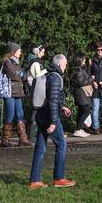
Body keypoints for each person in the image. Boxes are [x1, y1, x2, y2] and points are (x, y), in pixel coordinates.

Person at [30, 53, 75, 189]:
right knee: (61, 144)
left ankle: (35, 180)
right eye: (66, 64)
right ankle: (59, 178)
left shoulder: (48, 75)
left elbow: (51, 99)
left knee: (41, 146)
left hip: (40, 114)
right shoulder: (56, 78)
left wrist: (62, 108)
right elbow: (53, 100)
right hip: (49, 117)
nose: (66, 67)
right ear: (60, 64)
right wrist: (54, 121)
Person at [0, 43, 31, 147]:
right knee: (10, 115)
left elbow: (24, 77)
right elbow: (14, 75)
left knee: (20, 115)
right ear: (13, 51)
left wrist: (20, 74)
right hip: (10, 92)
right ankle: (4, 140)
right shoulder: (7, 62)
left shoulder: (17, 63)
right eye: (19, 50)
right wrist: (20, 74)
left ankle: (23, 139)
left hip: (18, 92)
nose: (20, 52)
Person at [68, 53, 93, 137]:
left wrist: (88, 66)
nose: (85, 61)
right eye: (84, 59)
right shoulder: (78, 70)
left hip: (80, 94)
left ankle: (78, 129)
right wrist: (91, 78)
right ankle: (78, 129)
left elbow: (84, 75)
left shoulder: (78, 69)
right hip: (81, 93)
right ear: (80, 60)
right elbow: (81, 83)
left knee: (81, 111)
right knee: (86, 110)